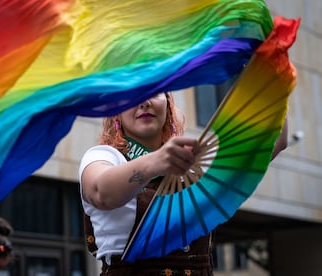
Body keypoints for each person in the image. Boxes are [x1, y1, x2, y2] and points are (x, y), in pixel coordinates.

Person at [78, 92, 287, 276]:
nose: (144, 102)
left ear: (168, 105)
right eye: (134, 95)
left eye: (155, 91)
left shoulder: (193, 165)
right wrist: (156, 162)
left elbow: (275, 140)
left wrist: (272, 69)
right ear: (117, 113)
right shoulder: (105, 156)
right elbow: (100, 192)